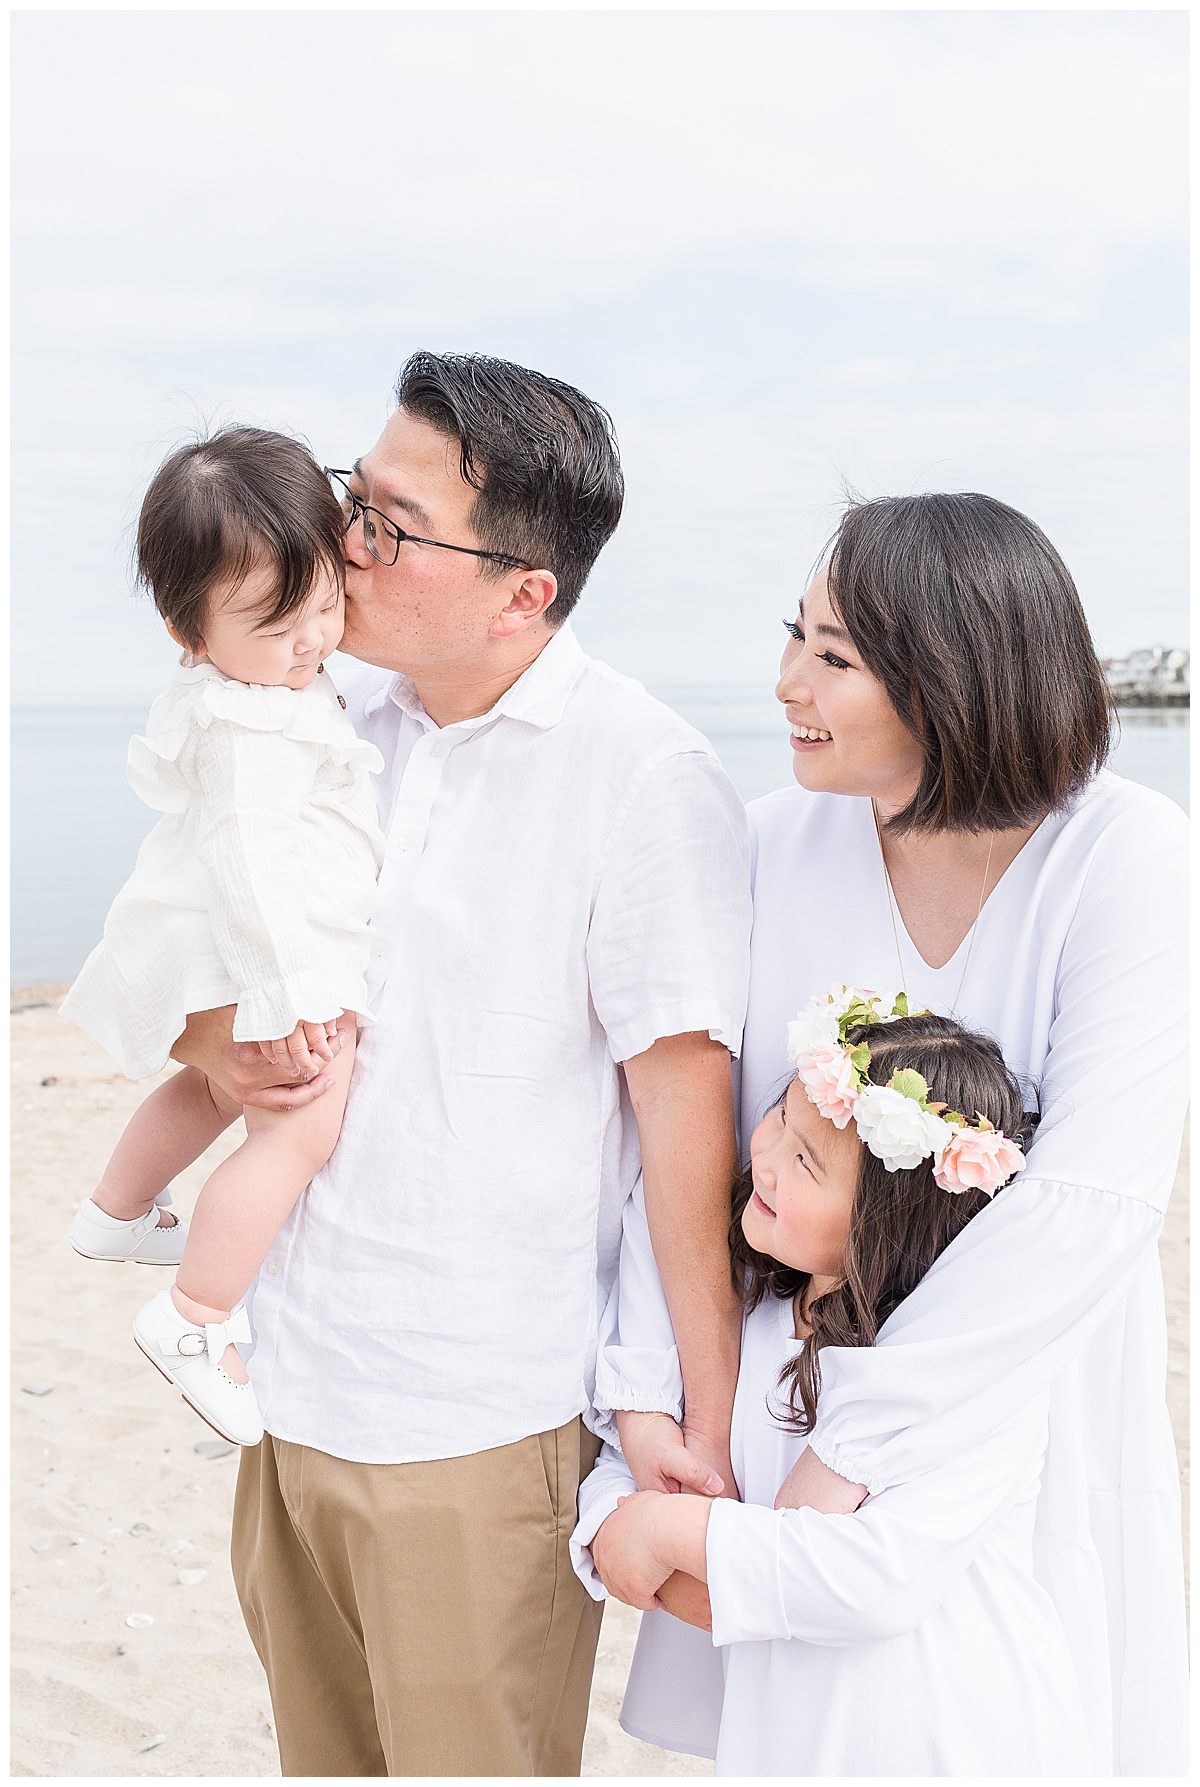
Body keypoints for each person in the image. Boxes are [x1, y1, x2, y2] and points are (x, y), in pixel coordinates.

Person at [167, 353, 753, 1776]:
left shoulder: (642, 775)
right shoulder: (319, 723)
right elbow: (196, 979)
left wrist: (707, 1417)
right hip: (288, 1393)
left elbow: (685, 1130)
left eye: (388, 521)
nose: (343, 540)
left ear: (522, 591)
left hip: (476, 1419)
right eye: (352, 494)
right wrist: (223, 1051)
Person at [594, 493, 1189, 1775]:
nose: (785, 682)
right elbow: (681, 1135)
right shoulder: (761, 840)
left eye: (835, 656)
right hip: (776, 1376)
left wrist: (862, 1446)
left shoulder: (1128, 857)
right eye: (794, 636)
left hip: (1015, 1380)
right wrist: (651, 1392)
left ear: (956, 677)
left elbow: (1092, 1199)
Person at [575, 991, 1091, 1775]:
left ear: (885, 1225)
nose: (767, 1159)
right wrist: (611, 1513)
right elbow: (651, 1462)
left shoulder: (963, 1379)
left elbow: (874, 1577)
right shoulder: (753, 1313)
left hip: (952, 1736)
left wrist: (671, 1535)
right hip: (794, 1735)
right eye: (780, 1117)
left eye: (808, 1161)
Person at [61, 429, 383, 1448]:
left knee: (211, 1087)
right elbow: (255, 870)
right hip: (255, 952)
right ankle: (196, 1316)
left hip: (203, 944)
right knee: (298, 1119)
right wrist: (289, 1002)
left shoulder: (252, 689)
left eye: (327, 604)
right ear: (186, 630)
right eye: (275, 623)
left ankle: (117, 1207)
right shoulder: (252, 729)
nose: (311, 641)